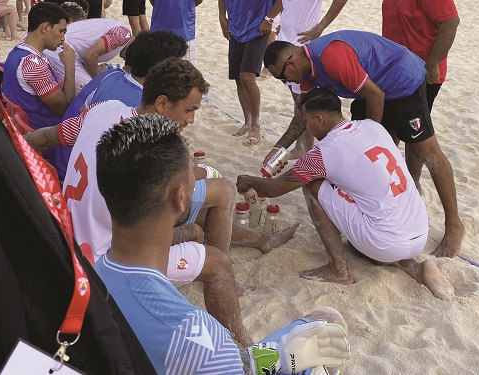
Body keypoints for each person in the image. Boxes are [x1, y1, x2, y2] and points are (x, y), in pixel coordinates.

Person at [26, 59, 301, 347]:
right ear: (161, 103)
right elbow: (162, 225)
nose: (191, 120)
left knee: (210, 201)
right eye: (189, 110)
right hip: (104, 262)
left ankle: (245, 248)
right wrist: (192, 233)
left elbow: (46, 137)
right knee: (217, 261)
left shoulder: (102, 110)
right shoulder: (148, 153)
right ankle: (242, 348)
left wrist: (22, 142)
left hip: (69, 235)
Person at [93, 113, 350, 375]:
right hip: (206, 360)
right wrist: (286, 359)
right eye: (193, 173)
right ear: (181, 198)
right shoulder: (194, 333)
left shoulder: (88, 277)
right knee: (326, 332)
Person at [262, 30, 465, 258]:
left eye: (282, 77)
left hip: (402, 81)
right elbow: (304, 115)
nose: (285, 82)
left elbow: (376, 96)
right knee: (364, 159)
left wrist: (367, 137)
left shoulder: (331, 57)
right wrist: (278, 148)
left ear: (290, 62)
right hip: (368, 89)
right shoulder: (305, 70)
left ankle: (454, 225)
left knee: (427, 152)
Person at [238, 87, 455, 299]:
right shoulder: (372, 126)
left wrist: (249, 181)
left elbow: (274, 189)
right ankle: (416, 267)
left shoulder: (321, 154)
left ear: (319, 119)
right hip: (418, 233)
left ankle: (338, 270)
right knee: (362, 226)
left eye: (307, 122)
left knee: (312, 185)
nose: (307, 129)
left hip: (384, 241)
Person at [379, 0, 460, 190]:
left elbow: (450, 21)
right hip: (393, 69)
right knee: (388, 129)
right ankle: (395, 182)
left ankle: (412, 184)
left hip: (420, 74)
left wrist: (432, 63)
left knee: (417, 138)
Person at [277, 0, 348, 159]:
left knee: (306, 101)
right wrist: (271, 22)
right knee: (297, 99)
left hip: (304, 46)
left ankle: (309, 149)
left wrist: (320, 27)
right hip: (285, 40)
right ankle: (301, 147)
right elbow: (285, 0)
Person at [217, 0, 281, 145]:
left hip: (257, 30)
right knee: (237, 77)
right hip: (236, 29)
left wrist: (269, 19)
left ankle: (256, 124)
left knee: (247, 77)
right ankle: (246, 121)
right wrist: (222, 18)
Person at [2, 2, 76, 130]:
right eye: (61, 31)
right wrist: (70, 66)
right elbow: (64, 110)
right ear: (45, 27)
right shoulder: (33, 65)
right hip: (45, 135)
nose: (63, 38)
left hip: (27, 128)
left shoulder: (18, 52)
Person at [43, 0, 132, 89]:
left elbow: (85, 48)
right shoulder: (124, 34)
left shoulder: (120, 29)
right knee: (92, 91)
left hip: (58, 43)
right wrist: (99, 80)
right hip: (61, 47)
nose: (124, 59)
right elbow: (88, 56)